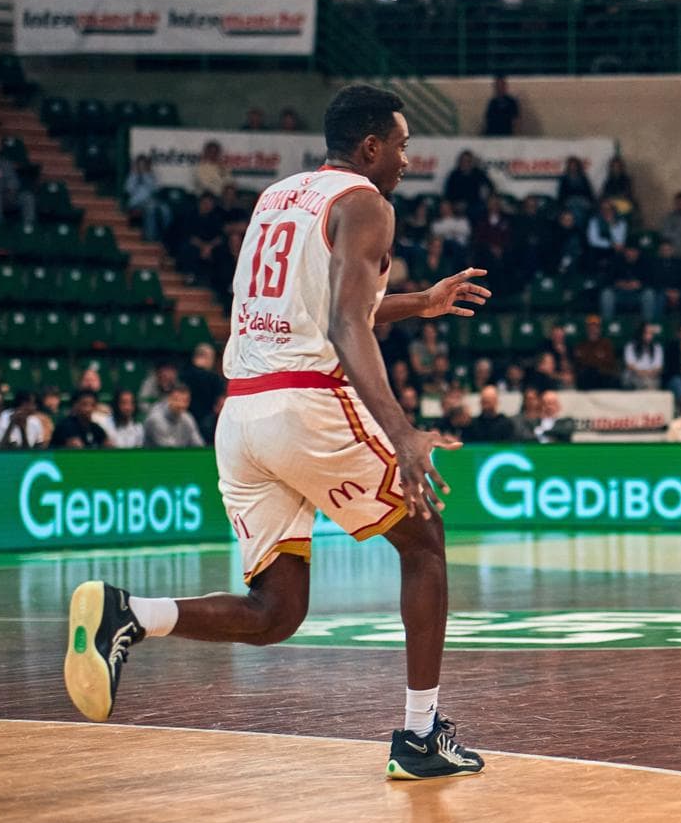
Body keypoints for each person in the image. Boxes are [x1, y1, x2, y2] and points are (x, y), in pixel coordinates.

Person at [63, 84, 493, 780]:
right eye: (402, 145)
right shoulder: (366, 204)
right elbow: (344, 324)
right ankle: (420, 737)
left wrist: (422, 302)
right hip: (306, 406)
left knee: (276, 610)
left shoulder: (277, 196)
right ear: (371, 146)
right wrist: (402, 430)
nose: (408, 160)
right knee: (425, 544)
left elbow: (318, 306)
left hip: (241, 416)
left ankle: (129, 614)